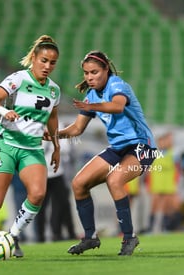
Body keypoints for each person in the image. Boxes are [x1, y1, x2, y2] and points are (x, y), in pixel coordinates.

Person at [0, 35, 61, 260]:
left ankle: (13, 236)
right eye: (43, 60)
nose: (47, 66)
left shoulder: (54, 90)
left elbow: (53, 117)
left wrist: (56, 146)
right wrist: (4, 112)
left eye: (52, 63)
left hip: (32, 149)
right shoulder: (17, 79)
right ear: (34, 58)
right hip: (5, 145)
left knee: (37, 194)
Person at [52, 50, 157, 256]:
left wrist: (92, 105)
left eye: (94, 72)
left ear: (106, 70)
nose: (90, 77)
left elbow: (117, 107)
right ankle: (90, 237)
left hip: (142, 146)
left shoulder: (117, 84)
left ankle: (129, 237)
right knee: (78, 183)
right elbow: (76, 129)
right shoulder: (91, 96)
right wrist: (53, 135)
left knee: (115, 180)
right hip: (118, 148)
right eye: (86, 73)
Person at [35, 135, 76, 242]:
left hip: (57, 173)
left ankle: (57, 233)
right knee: (40, 206)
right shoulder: (35, 128)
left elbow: (66, 149)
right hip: (41, 174)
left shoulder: (59, 128)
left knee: (61, 205)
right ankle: (40, 235)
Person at [146, 132, 181, 233]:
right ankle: (151, 228)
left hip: (168, 183)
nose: (163, 143)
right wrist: (148, 184)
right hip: (156, 183)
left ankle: (164, 227)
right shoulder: (153, 154)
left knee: (167, 207)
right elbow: (148, 171)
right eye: (161, 141)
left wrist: (176, 182)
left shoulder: (173, 154)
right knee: (154, 206)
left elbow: (178, 169)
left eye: (165, 141)